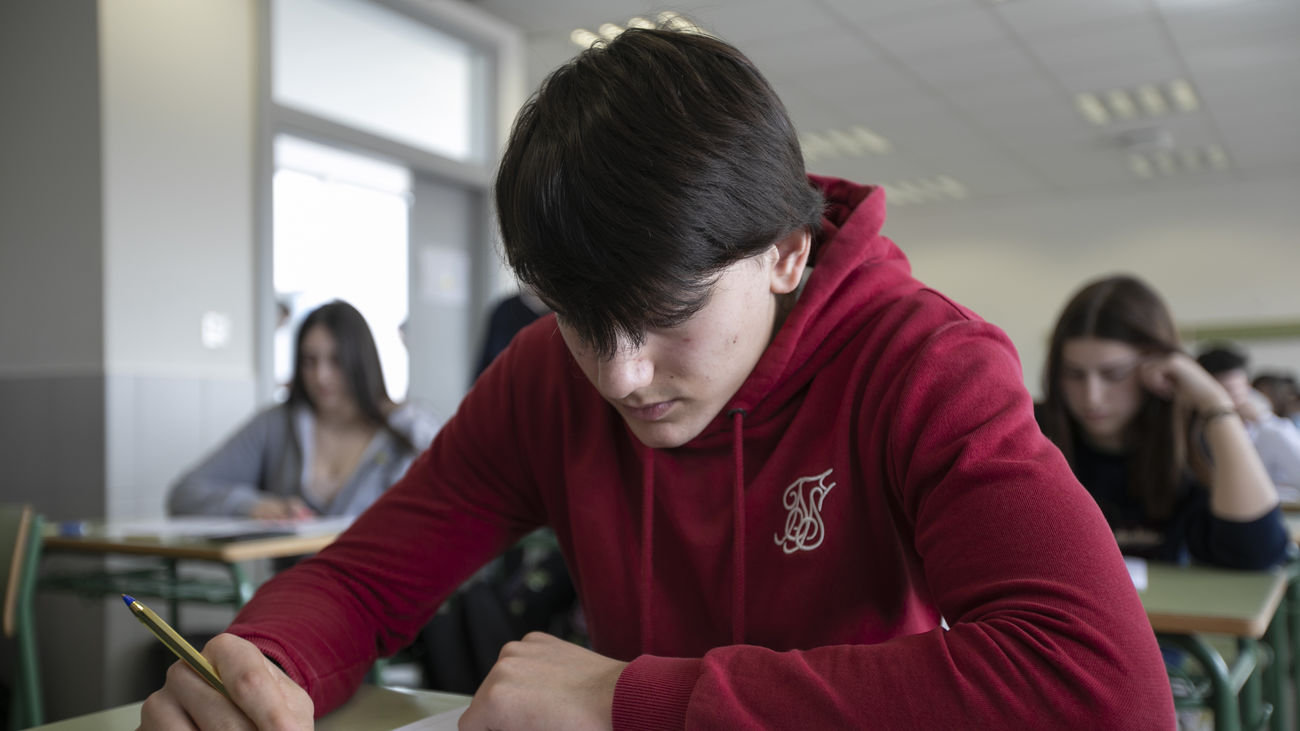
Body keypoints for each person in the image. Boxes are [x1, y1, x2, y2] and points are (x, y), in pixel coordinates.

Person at [140, 28, 1175, 729]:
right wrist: (263, 656)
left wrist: (629, 698)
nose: (623, 373)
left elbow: (1103, 685)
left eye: (670, 314)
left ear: (784, 251)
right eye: (580, 318)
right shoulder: (548, 379)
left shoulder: (922, 364)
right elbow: (368, 576)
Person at [1038, 275, 1288, 568]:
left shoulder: (1191, 435)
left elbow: (1258, 553)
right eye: (1074, 374)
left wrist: (1215, 403)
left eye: (1114, 375)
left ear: (1156, 366)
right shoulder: (1033, 432)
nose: (1092, 397)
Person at [168, 300, 440, 520]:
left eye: (336, 360)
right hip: (296, 584)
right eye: (309, 361)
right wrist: (252, 506)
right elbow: (184, 494)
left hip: (386, 584)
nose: (321, 376)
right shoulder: (276, 425)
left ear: (360, 361)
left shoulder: (412, 430)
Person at [1197, 344, 1300, 494]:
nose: (1231, 400)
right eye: (1223, 391)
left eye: (1236, 390)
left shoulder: (1272, 431)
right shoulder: (1193, 432)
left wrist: (1265, 420)